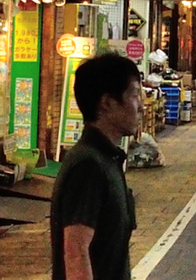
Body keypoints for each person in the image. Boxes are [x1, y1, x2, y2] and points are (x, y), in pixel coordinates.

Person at [51, 54, 142, 280]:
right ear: (107, 103)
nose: (141, 106)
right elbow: (76, 252)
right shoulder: (88, 165)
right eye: (134, 95)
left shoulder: (107, 159)